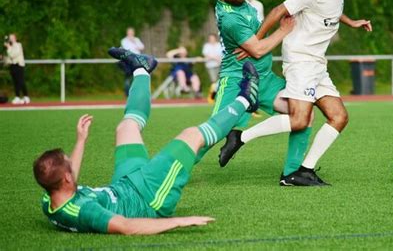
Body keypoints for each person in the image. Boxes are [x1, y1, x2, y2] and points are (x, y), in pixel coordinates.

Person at [33, 47, 260, 234]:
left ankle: (142, 69)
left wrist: (81, 140)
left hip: (124, 185)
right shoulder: (85, 212)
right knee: (191, 137)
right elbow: (126, 226)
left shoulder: (51, 198)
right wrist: (178, 221)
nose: (73, 164)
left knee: (126, 127)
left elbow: (68, 176)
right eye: (69, 165)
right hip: (148, 199)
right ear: (65, 178)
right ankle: (245, 99)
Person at [219, 0, 372, 186]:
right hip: (300, 61)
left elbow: (331, 12)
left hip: (317, 65)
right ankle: (240, 137)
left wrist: (351, 22)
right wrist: (256, 40)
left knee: (339, 116)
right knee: (300, 119)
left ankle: (303, 170)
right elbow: (279, 10)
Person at [203, 0, 299, 180]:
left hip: (264, 80)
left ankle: (295, 172)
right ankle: (168, 170)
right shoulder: (230, 18)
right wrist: (283, 30)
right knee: (212, 133)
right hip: (238, 80)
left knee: (301, 111)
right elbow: (257, 50)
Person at [4, 33, 30, 104]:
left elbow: (13, 55)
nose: (10, 39)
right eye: (9, 38)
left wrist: (8, 47)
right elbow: (9, 58)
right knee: (15, 82)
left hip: (18, 65)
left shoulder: (18, 45)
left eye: (11, 37)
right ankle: (17, 96)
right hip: (12, 66)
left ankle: (26, 96)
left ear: (15, 38)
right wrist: (5, 59)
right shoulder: (10, 46)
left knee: (20, 81)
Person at [120, 27, 145, 96]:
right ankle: (127, 93)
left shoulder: (136, 39)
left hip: (137, 61)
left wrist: (134, 42)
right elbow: (127, 49)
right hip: (128, 61)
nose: (130, 33)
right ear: (127, 33)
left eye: (132, 32)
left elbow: (142, 47)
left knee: (137, 76)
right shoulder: (124, 40)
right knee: (128, 77)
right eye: (129, 32)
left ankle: (136, 92)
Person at [202, 33, 223, 102]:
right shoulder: (206, 46)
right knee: (213, 81)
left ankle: (218, 95)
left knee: (220, 81)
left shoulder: (219, 45)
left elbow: (222, 54)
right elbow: (206, 55)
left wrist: (218, 59)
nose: (211, 40)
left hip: (219, 65)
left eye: (212, 38)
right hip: (210, 66)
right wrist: (215, 58)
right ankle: (212, 96)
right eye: (210, 38)